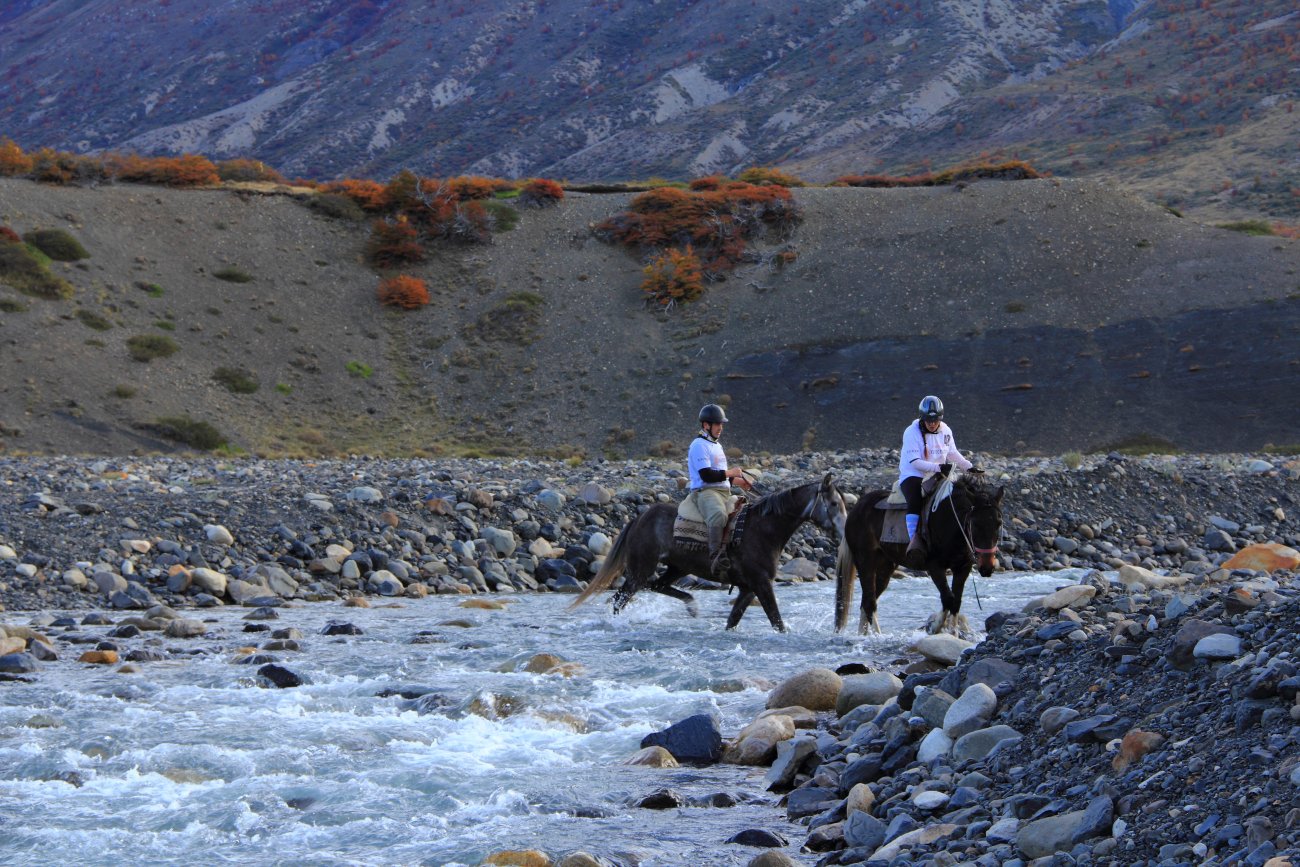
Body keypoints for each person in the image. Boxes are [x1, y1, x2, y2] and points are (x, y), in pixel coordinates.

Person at [898, 395, 983, 568]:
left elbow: (952, 453)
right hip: (914, 474)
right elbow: (915, 462)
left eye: (935, 419)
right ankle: (915, 542)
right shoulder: (911, 432)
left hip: (939, 473)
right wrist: (939, 468)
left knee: (960, 497)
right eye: (928, 419)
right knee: (914, 501)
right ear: (922, 418)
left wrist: (969, 467)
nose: (932, 423)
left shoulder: (945, 430)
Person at [684, 403, 752, 577]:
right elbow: (707, 475)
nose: (721, 428)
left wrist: (737, 481)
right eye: (717, 424)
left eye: (721, 424)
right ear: (706, 425)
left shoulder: (716, 445)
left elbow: (719, 475)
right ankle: (715, 558)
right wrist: (732, 472)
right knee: (718, 515)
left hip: (723, 491)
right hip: (706, 492)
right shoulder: (699, 445)